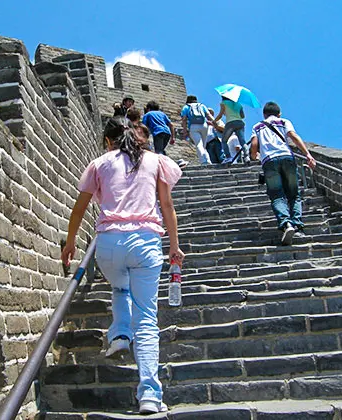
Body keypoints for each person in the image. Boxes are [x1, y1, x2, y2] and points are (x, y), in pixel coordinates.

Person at [61, 116, 185, 414]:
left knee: (119, 287)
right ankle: (150, 396)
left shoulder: (100, 163)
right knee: (147, 319)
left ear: (109, 141)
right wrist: (175, 246)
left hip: (108, 244)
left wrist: (70, 242)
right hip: (145, 241)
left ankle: (119, 335)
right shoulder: (156, 161)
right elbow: (166, 205)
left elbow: (80, 208)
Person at [249, 101, 316, 245]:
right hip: (287, 157)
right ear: (279, 113)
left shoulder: (257, 126)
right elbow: (293, 136)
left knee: (277, 195)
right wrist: (308, 155)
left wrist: (254, 156)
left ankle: (286, 224)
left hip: (269, 162)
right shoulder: (284, 121)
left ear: (264, 114)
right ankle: (297, 226)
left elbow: (254, 145)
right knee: (293, 194)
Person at [213, 96, 248, 164]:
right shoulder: (239, 104)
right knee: (242, 141)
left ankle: (228, 157)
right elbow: (242, 116)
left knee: (224, 141)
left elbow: (220, 115)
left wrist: (215, 121)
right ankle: (247, 157)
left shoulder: (223, 103)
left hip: (230, 123)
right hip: (240, 123)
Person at [180, 95, 214, 165]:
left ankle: (203, 161)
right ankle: (208, 160)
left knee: (198, 144)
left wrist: (185, 130)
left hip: (193, 126)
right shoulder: (202, 106)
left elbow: (184, 119)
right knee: (204, 145)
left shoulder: (186, 107)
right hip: (204, 125)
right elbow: (208, 115)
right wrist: (215, 123)